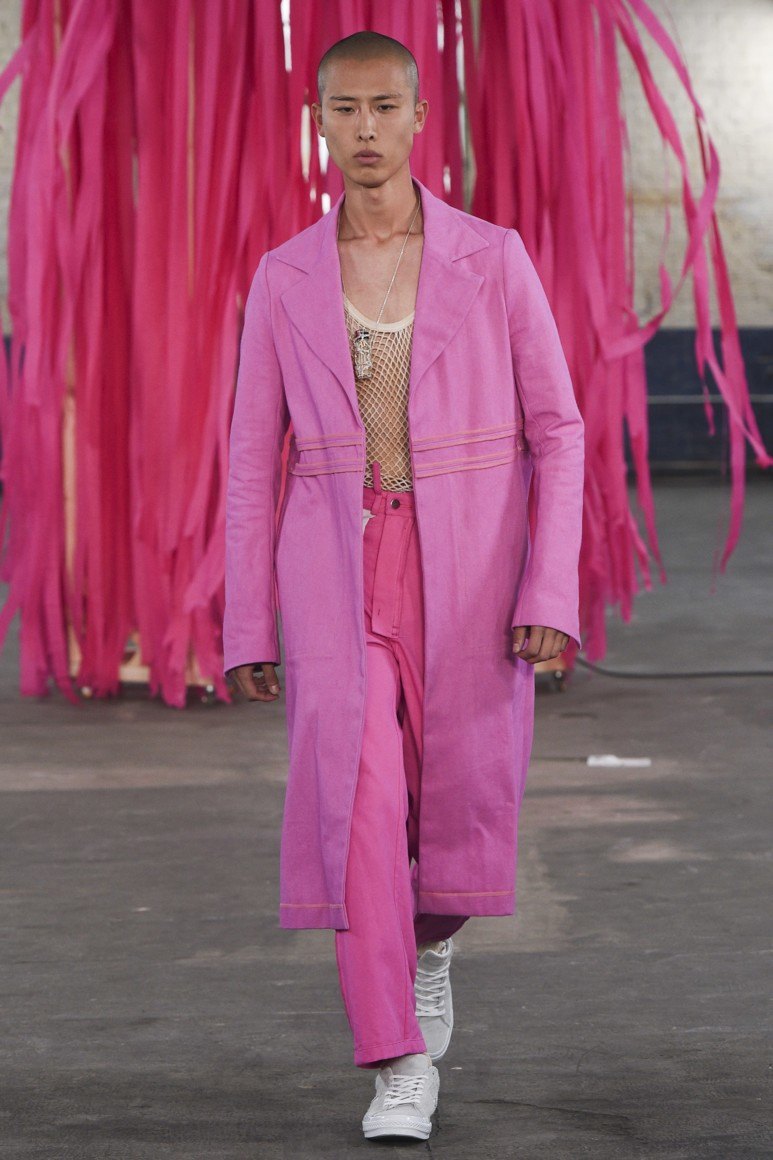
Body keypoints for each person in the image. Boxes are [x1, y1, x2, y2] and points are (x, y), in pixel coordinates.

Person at [223, 30, 584, 1144]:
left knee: (459, 804)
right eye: (344, 110)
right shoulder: (283, 274)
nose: (365, 129)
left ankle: (429, 947)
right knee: (359, 807)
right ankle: (395, 1056)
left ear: (420, 118)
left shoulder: (493, 256)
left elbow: (557, 430)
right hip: (333, 566)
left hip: (467, 566)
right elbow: (249, 458)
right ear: (318, 123)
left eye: (385, 107)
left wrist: (549, 591)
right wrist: (245, 620)